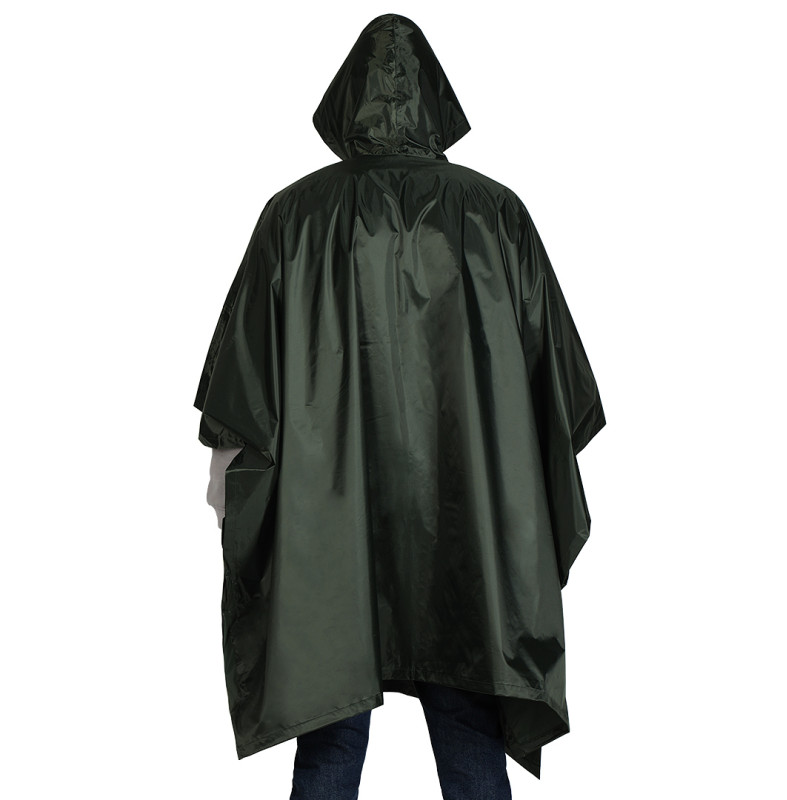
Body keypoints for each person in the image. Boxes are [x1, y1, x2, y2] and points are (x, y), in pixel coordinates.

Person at [195, 12, 606, 799]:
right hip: (466, 539)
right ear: (435, 99)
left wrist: (230, 497)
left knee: (329, 737)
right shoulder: (494, 213)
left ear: (346, 97)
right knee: (470, 732)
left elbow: (241, 396)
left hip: (326, 541)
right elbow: (558, 396)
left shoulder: (294, 216)